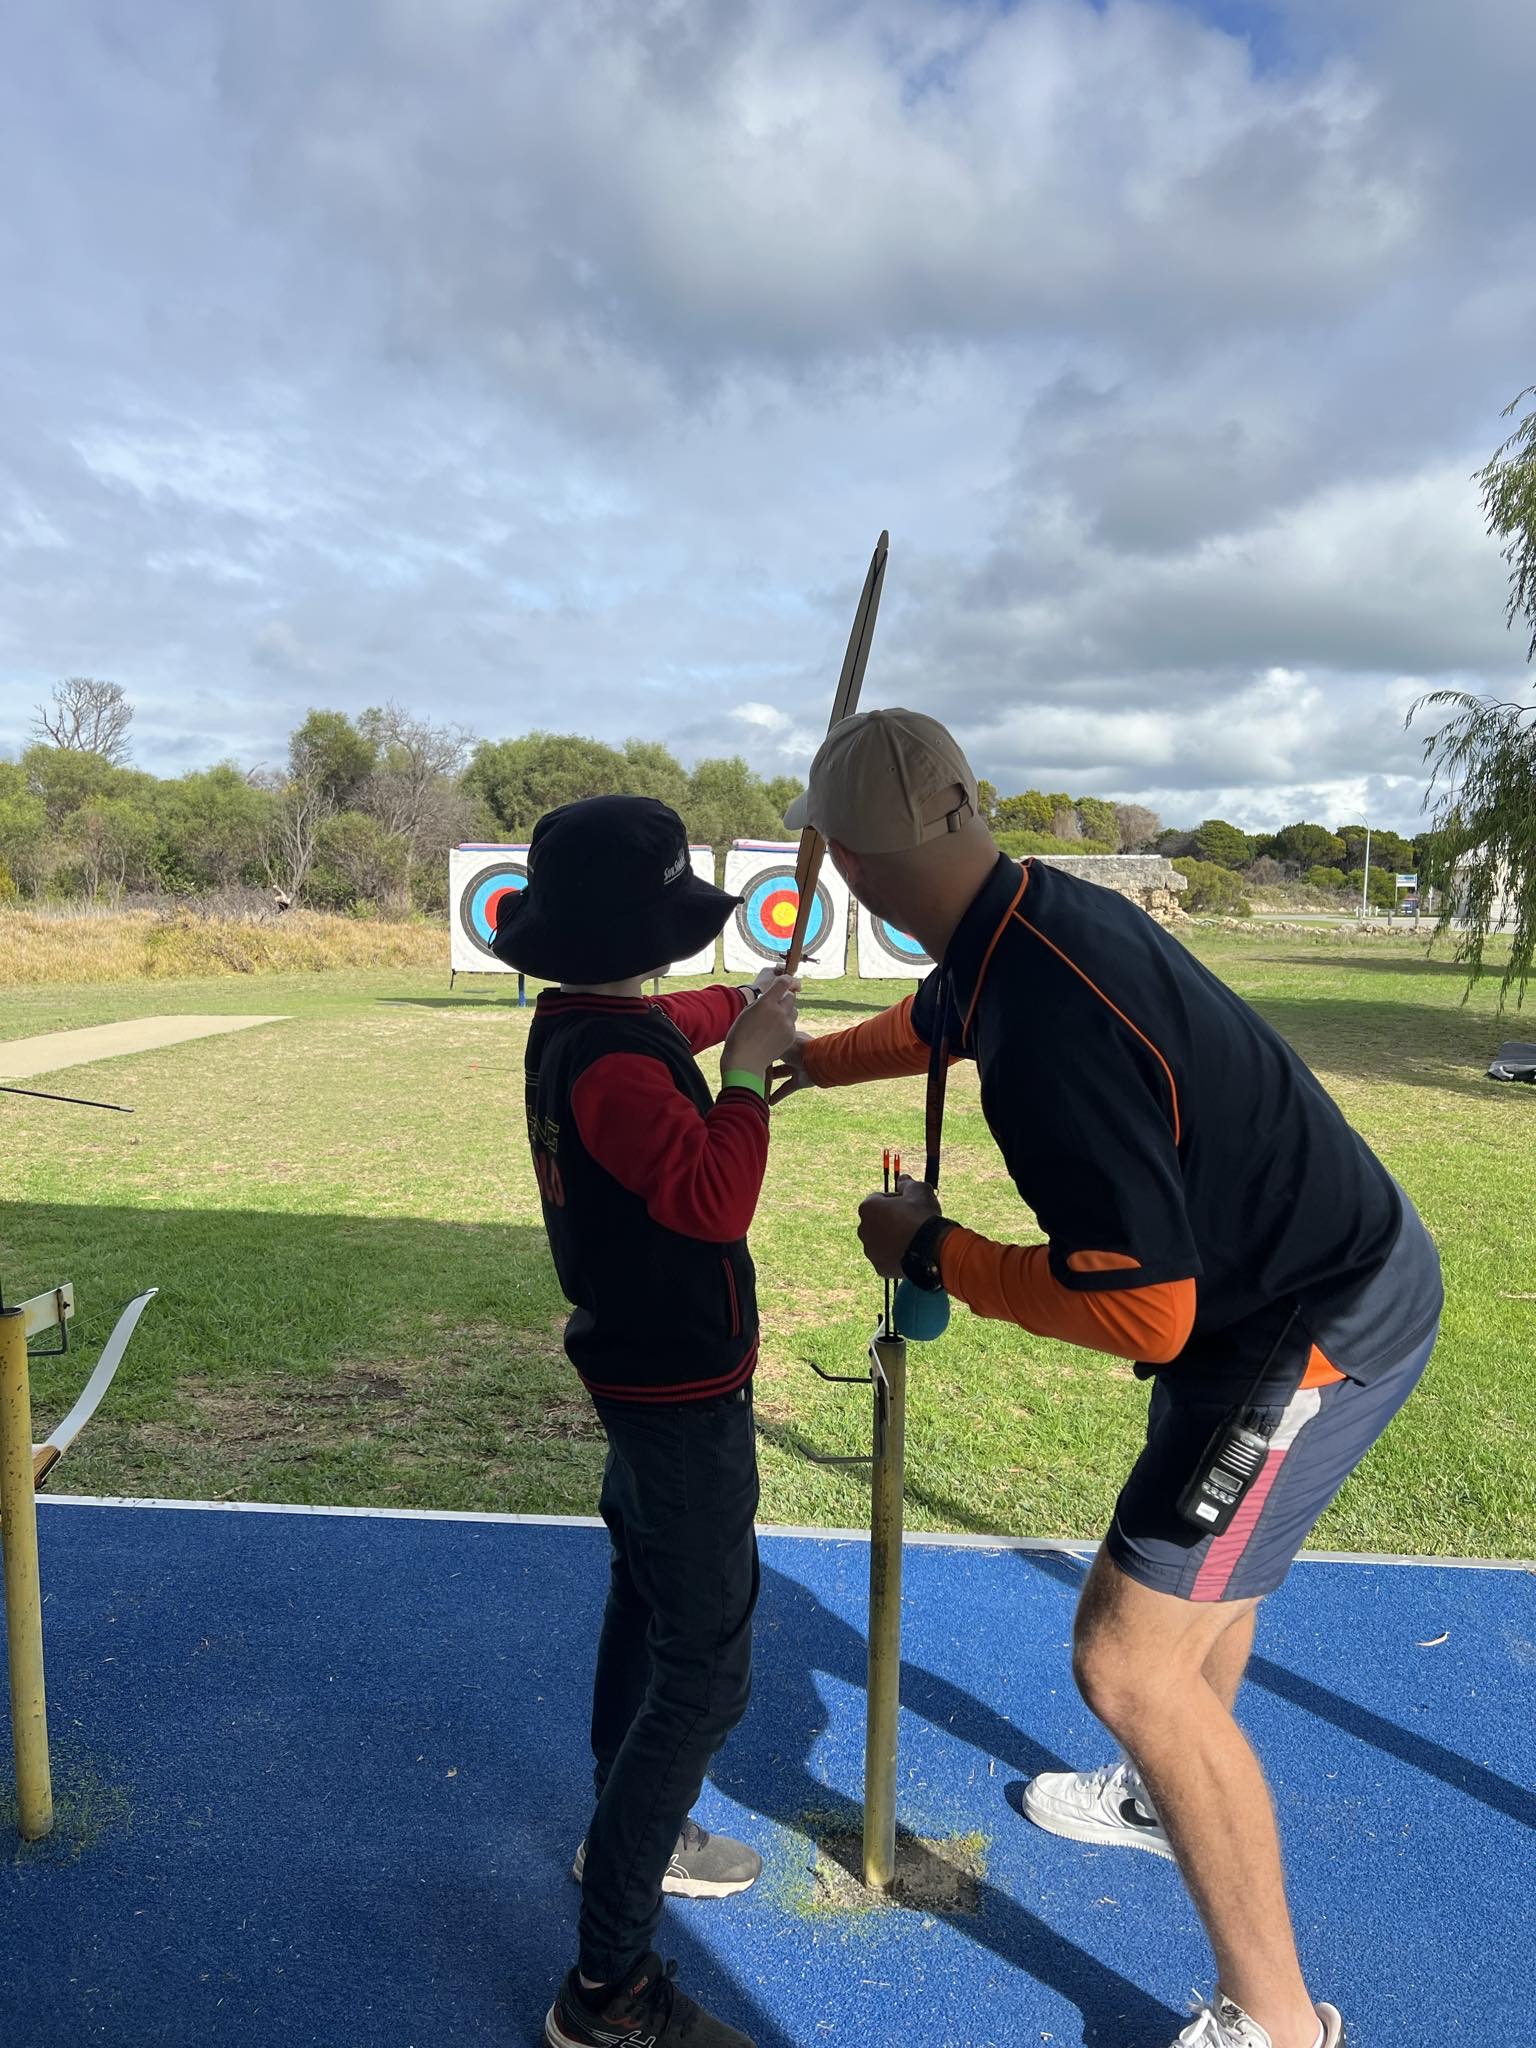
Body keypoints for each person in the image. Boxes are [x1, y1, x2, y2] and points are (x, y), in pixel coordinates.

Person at [771, 710, 1442, 2048]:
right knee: (1196, 1603)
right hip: (1279, 1290)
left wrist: (936, 1251)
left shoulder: (1046, 1031)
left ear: (841, 863)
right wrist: (818, 1059)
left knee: (1129, 1666)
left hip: (1309, 1320)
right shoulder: (1016, 909)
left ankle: (1280, 2023)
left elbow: (1142, 1310)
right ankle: (1159, 1802)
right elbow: (936, 1016)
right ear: (968, 808)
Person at [491, 794, 799, 2048]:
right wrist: (747, 1083)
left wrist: (749, 1001)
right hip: (677, 1392)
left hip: (645, 1378)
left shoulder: (589, 1021)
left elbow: (678, 1014)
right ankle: (606, 1993)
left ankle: (637, 1828)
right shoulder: (615, 1059)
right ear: (642, 930)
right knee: (707, 1670)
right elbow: (713, 1195)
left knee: (646, 1597)